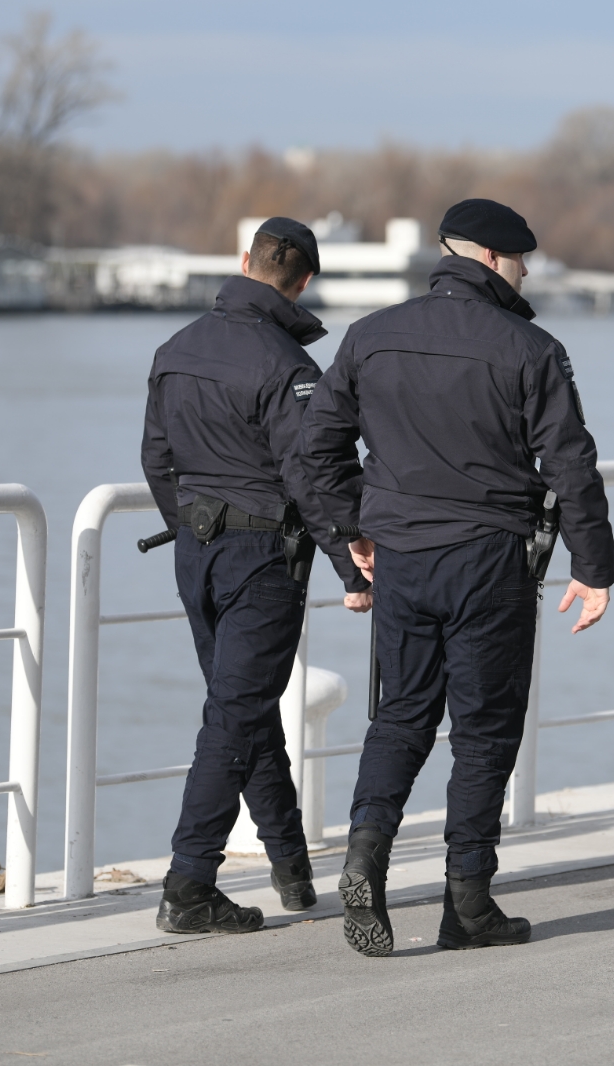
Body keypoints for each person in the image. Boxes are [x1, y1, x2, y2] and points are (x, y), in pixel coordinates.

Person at [294, 198, 614, 956]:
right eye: (521, 259)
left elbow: (315, 449)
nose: (526, 271)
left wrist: (353, 529)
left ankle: (365, 855)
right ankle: (467, 902)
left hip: (402, 557)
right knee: (484, 729)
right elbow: (571, 463)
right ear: (493, 258)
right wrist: (593, 566)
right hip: (489, 558)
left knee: (400, 715)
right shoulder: (531, 348)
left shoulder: (370, 335)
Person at [141, 216, 372, 935]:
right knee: (235, 715)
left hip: (196, 553)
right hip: (261, 559)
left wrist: (191, 526)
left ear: (245, 262)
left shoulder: (175, 349)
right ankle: (189, 884)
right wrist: (352, 566)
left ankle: (291, 867)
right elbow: (311, 477)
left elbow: (156, 460)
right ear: (304, 281)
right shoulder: (288, 366)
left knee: (243, 707)